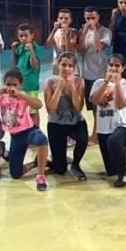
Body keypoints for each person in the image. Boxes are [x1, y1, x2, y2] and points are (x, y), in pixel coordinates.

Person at [0, 68, 49, 191]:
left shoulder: (23, 96)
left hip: (29, 131)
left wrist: (21, 94)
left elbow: (39, 105)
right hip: (16, 138)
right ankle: (35, 163)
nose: (11, 87)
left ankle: (41, 176)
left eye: (14, 85)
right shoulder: (2, 97)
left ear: (20, 85)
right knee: (15, 174)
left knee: (42, 140)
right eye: (8, 84)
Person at [90, 54, 126, 188]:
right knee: (111, 170)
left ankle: (123, 175)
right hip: (104, 129)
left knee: (114, 141)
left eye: (117, 66)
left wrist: (117, 84)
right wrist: (106, 82)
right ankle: (121, 157)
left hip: (124, 126)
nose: (113, 68)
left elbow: (121, 104)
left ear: (123, 68)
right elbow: (94, 100)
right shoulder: (98, 83)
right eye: (111, 65)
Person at [45, 53, 89, 181]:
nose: (67, 68)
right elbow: (50, 109)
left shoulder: (79, 81)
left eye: (70, 66)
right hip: (56, 123)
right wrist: (59, 88)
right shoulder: (50, 82)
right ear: (58, 65)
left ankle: (76, 164)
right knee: (60, 169)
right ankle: (49, 160)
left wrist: (73, 88)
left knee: (82, 138)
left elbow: (79, 108)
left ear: (74, 67)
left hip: (75, 121)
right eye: (64, 65)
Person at [78, 7, 112, 145]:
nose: (90, 20)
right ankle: (98, 132)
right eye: (88, 18)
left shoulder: (106, 32)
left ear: (98, 17)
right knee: (92, 106)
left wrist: (94, 31)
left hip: (100, 74)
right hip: (87, 73)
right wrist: (85, 32)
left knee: (100, 106)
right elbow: (80, 50)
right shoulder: (83, 31)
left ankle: (96, 135)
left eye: (93, 18)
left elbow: (98, 48)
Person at [12, 23, 45, 126]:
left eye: (26, 35)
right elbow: (15, 64)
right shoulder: (20, 48)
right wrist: (13, 52)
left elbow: (34, 66)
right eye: (21, 36)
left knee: (33, 111)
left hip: (31, 85)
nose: (23, 38)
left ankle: (36, 130)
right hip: (20, 85)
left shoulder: (36, 48)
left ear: (32, 36)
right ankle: (24, 130)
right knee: (21, 110)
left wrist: (31, 51)